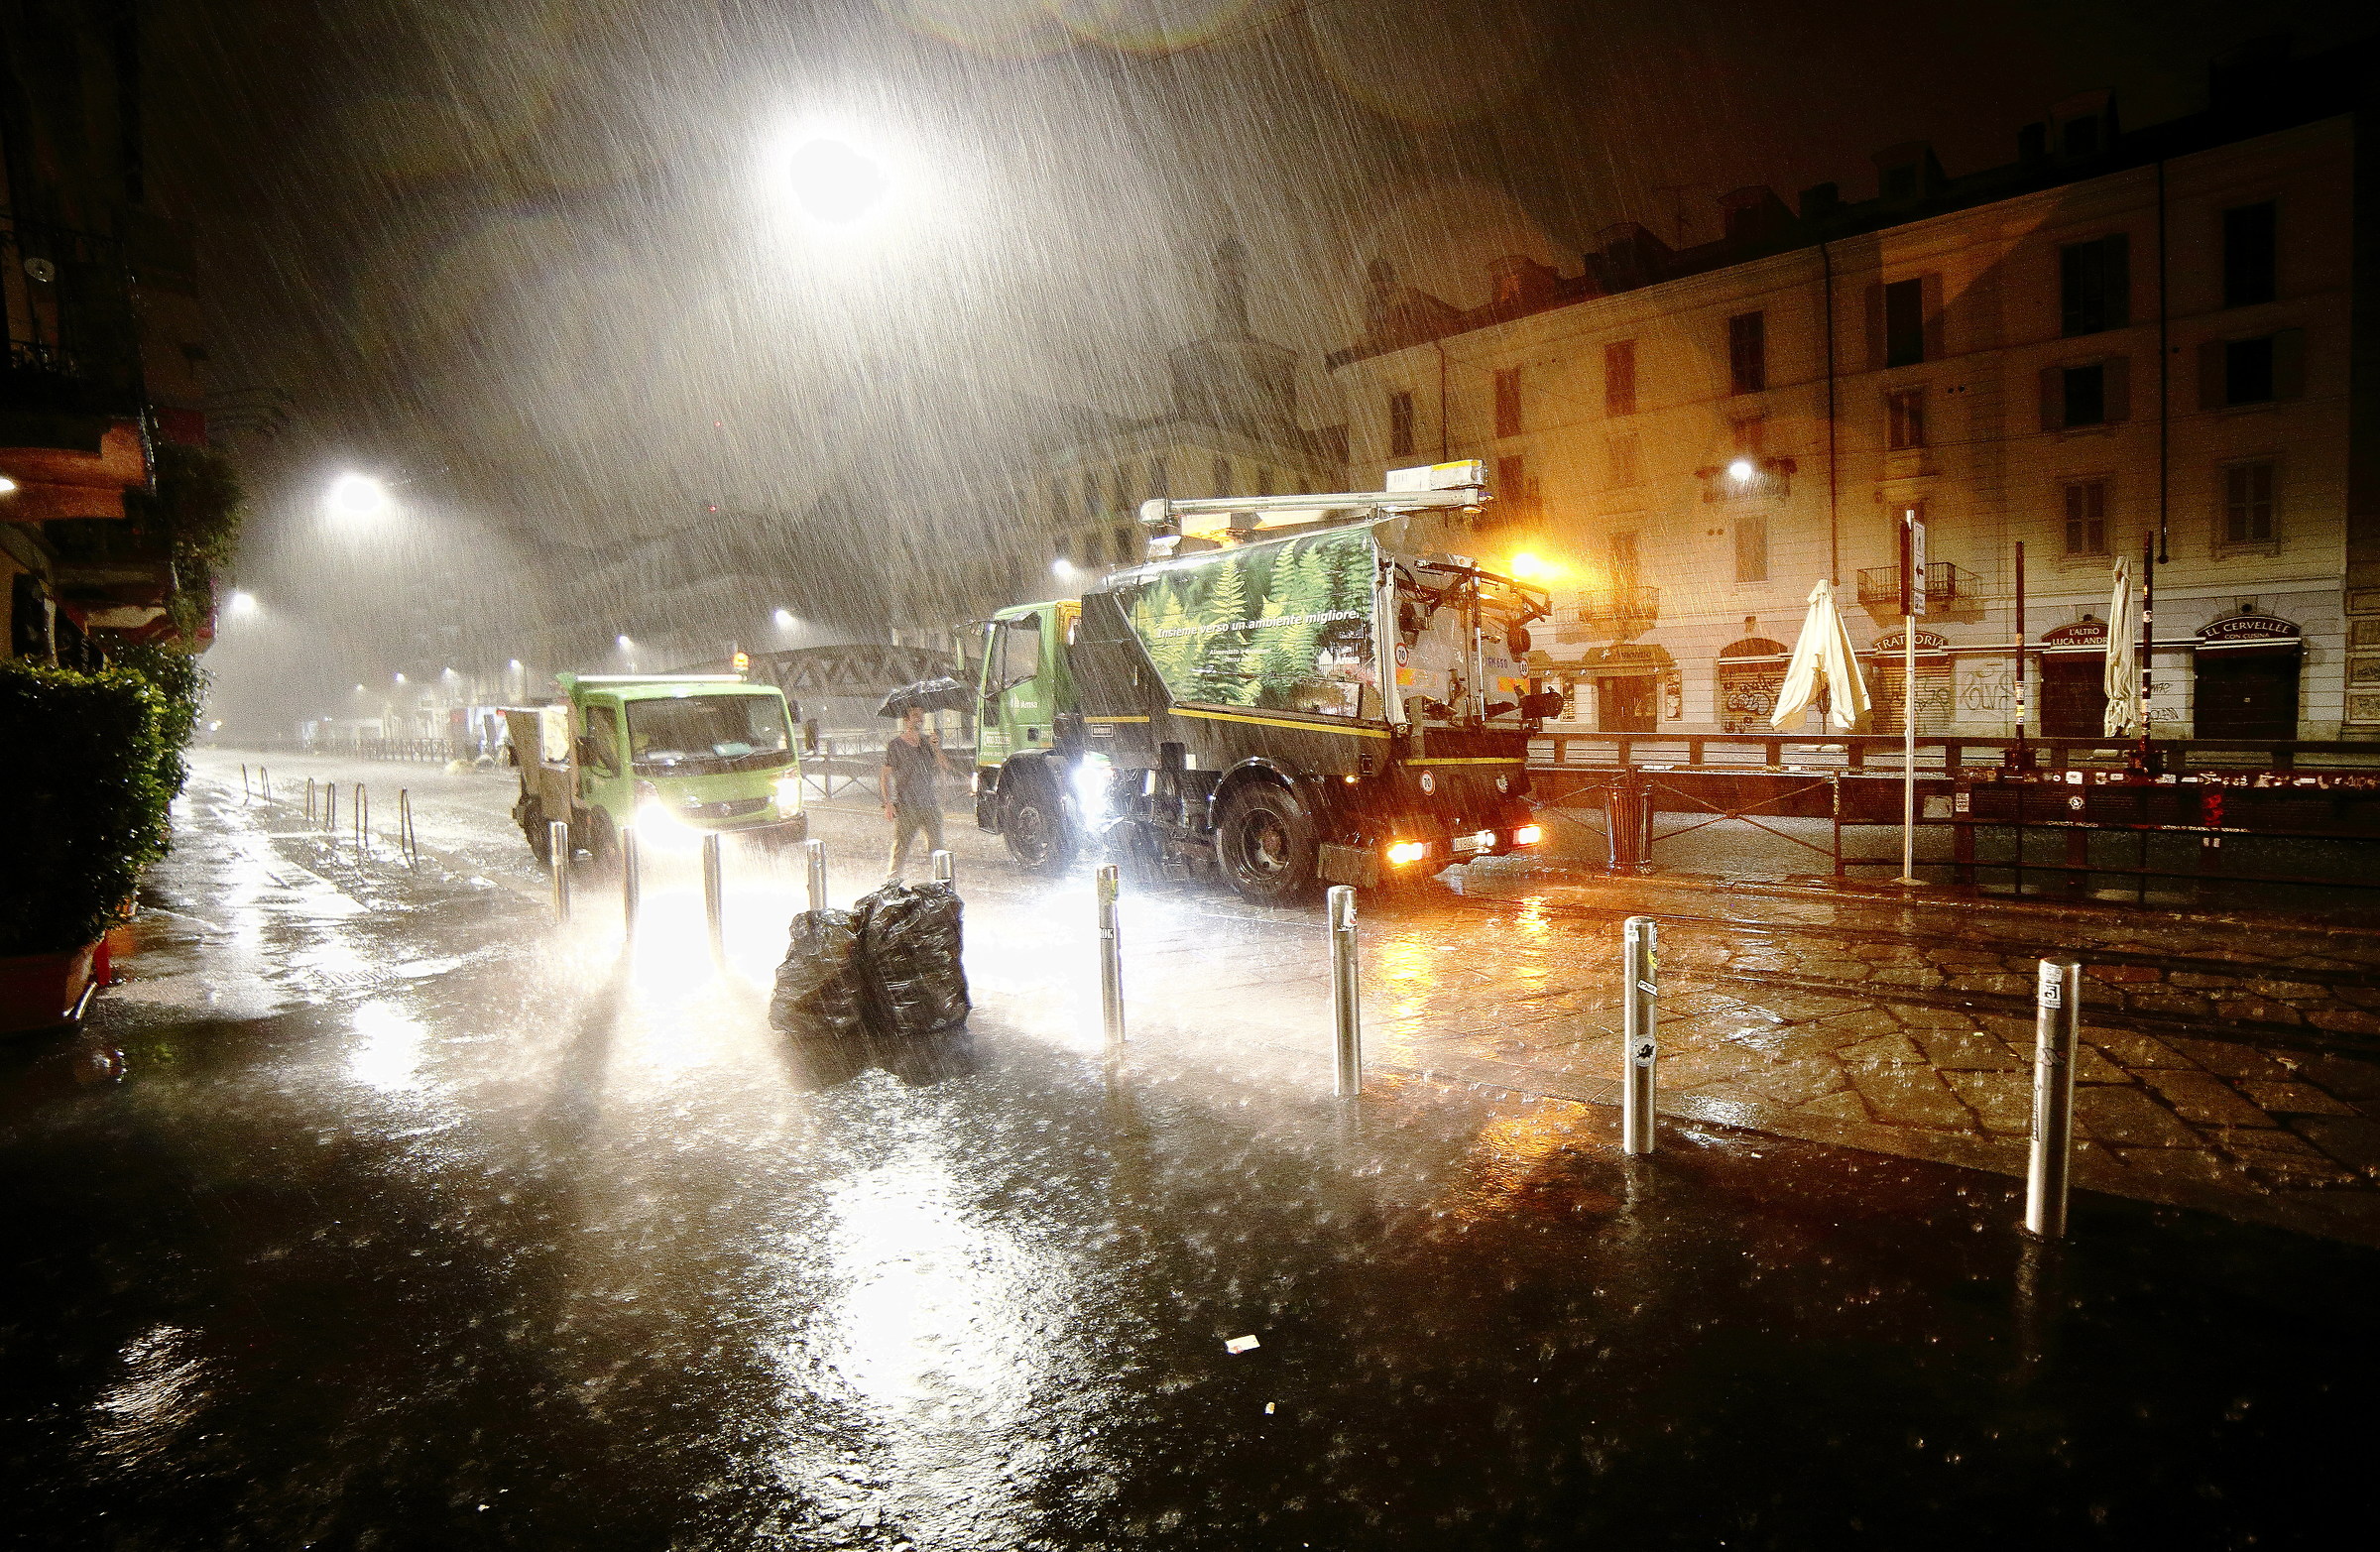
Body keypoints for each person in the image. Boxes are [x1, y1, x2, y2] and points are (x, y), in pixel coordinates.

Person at [881, 705, 953, 879]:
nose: (919, 719)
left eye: (921, 715)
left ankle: (942, 884)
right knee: (901, 849)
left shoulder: (928, 743)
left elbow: (945, 766)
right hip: (907, 806)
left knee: (938, 848)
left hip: (929, 804)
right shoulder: (896, 745)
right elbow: (884, 776)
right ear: (906, 720)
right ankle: (892, 883)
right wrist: (888, 803)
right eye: (915, 715)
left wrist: (936, 747)